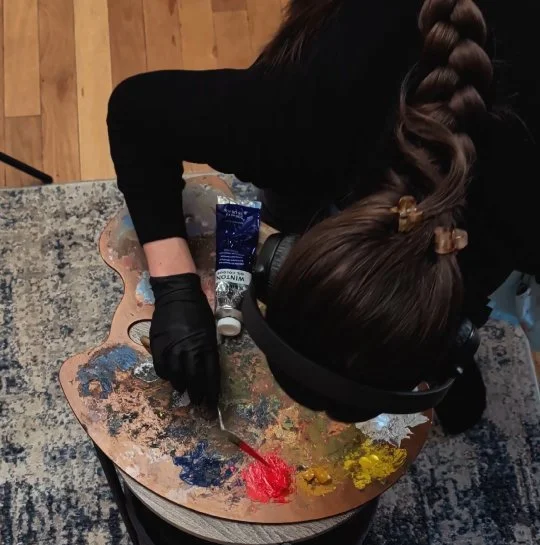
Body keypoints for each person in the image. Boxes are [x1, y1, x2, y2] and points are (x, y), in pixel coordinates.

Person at [107, 0, 540, 433]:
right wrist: (175, 286)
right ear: (282, 258)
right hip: (354, 79)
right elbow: (135, 113)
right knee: (290, 192)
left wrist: (433, 341)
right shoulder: (301, 118)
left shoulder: (524, 216)